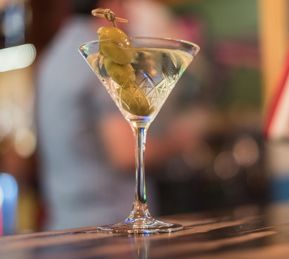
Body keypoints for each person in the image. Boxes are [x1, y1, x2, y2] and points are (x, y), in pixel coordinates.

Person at [36, 0, 205, 230]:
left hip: (63, 224)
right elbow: (124, 152)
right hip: (109, 226)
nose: (131, 16)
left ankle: (140, 211)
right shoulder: (107, 54)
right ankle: (140, 211)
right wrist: (181, 141)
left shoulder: (51, 58)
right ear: (111, 5)